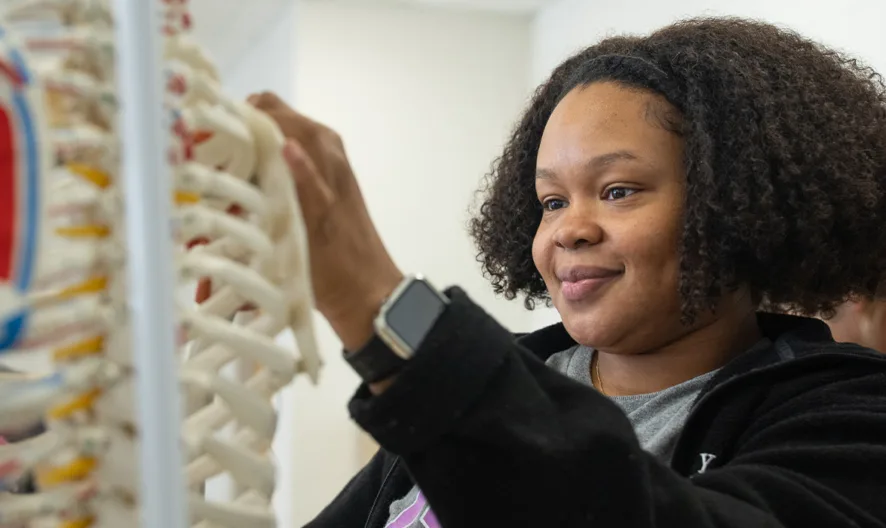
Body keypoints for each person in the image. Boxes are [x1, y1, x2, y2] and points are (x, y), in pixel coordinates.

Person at [249, 17, 886, 528]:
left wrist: (374, 300)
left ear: (740, 203)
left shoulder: (849, 418)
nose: (568, 229)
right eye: (552, 201)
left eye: (618, 190)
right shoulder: (506, 377)